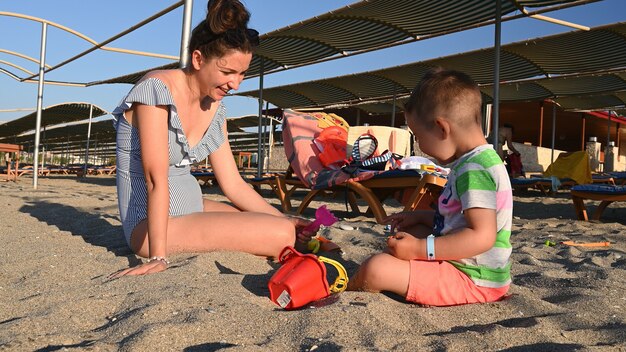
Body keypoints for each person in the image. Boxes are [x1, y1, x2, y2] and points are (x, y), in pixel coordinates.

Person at [111, 0, 309, 278]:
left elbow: (233, 184)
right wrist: (158, 255)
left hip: (195, 207)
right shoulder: (156, 90)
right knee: (280, 234)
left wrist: (285, 216)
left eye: (242, 74)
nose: (236, 84)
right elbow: (155, 178)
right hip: (151, 226)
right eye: (227, 72)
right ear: (198, 59)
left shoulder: (215, 109)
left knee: (277, 224)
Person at [347, 68, 513, 306]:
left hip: (473, 279)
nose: (420, 145)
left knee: (377, 268)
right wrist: (423, 217)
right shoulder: (476, 161)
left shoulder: (474, 169)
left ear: (441, 128)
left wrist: (418, 249)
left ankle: (346, 288)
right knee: (405, 242)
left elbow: (482, 236)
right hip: (478, 271)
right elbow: (462, 219)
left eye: (417, 136)